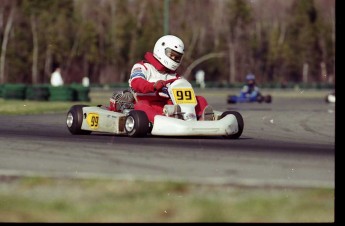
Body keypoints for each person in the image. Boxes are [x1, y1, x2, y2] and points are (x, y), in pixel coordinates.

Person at [119, 34, 213, 123]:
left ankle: (200, 119)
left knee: (200, 100)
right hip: (149, 104)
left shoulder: (174, 76)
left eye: (177, 57)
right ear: (161, 50)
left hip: (169, 106)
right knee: (141, 106)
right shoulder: (142, 67)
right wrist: (154, 86)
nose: (174, 59)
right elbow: (136, 83)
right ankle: (165, 121)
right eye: (172, 55)